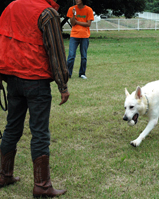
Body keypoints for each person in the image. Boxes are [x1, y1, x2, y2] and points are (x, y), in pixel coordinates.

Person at [0, 0, 69, 197]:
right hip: (36, 80)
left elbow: (2, 39)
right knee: (39, 132)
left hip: (13, 78)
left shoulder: (12, 6)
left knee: (11, 127)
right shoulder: (47, 13)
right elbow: (55, 51)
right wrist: (62, 84)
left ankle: (4, 174)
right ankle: (42, 185)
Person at [67, 0, 94, 79]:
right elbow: (72, 23)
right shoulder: (71, 9)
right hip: (74, 35)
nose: (77, 0)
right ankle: (68, 73)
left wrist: (77, 22)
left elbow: (88, 24)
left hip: (85, 36)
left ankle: (82, 73)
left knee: (84, 56)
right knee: (71, 56)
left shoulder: (88, 10)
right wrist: (74, 15)